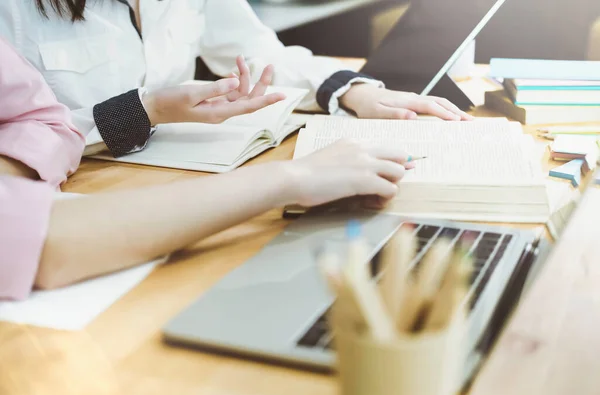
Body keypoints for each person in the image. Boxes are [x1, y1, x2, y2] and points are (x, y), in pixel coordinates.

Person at [0, 37, 414, 300]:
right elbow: (37, 240)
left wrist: (350, 88)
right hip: (102, 185)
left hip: (164, 179)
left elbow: (42, 118)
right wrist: (143, 109)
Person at [0, 0, 472, 158]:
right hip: (68, 203)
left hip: (175, 183)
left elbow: (257, 53)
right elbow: (15, 137)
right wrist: (143, 111)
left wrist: (350, 90)